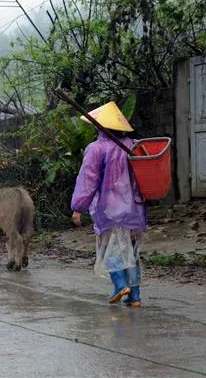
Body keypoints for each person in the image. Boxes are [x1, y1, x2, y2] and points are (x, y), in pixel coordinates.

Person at [70, 101, 147, 307]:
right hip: (135, 209)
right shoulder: (133, 145)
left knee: (112, 249)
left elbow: (87, 180)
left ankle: (120, 285)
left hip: (109, 209)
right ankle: (135, 296)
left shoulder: (96, 149)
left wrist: (78, 207)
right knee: (131, 251)